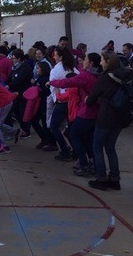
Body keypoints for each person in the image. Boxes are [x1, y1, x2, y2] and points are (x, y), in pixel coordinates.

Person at [86, 52, 133, 191]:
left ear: (107, 61)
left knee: (97, 146)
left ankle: (101, 177)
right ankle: (114, 179)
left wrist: (87, 101)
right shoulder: (127, 75)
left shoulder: (105, 78)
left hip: (106, 116)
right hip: (121, 117)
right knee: (110, 147)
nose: (100, 63)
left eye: (102, 60)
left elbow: (92, 98)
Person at [50, 53, 101, 176]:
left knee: (74, 135)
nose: (83, 62)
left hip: (86, 112)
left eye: (85, 60)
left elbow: (68, 82)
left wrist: (52, 82)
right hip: (95, 112)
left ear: (91, 63)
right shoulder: (99, 76)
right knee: (89, 140)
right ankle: (93, 164)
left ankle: (84, 164)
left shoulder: (86, 76)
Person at [49, 46, 79, 161]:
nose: (54, 57)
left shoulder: (56, 70)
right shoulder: (73, 68)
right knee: (70, 129)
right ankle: (76, 151)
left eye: (55, 55)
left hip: (62, 102)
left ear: (60, 57)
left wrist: (56, 96)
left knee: (54, 127)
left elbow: (53, 86)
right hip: (72, 101)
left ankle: (65, 151)